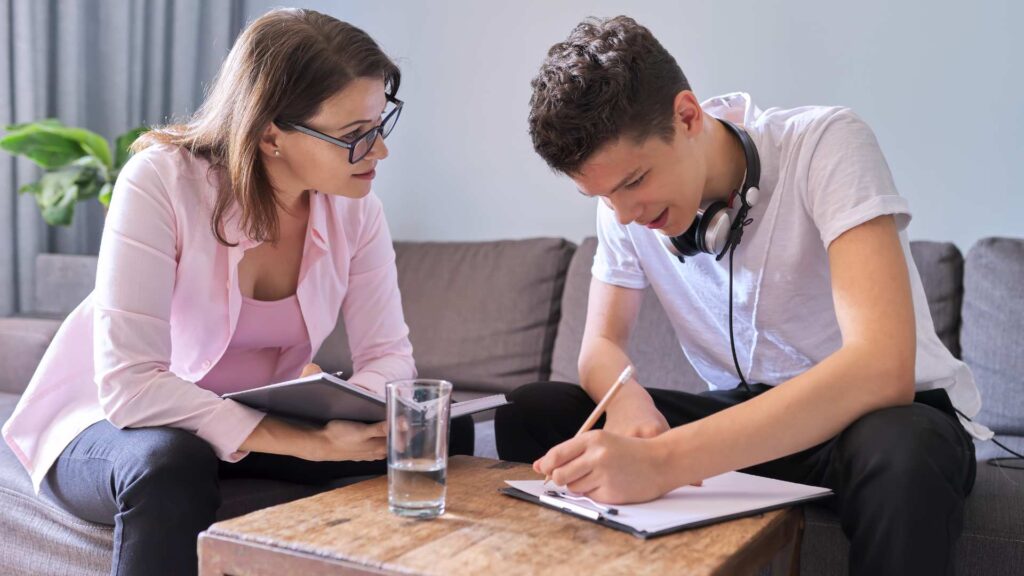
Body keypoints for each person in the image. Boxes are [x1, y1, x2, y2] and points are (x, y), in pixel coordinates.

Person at [495, 16, 984, 576]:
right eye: (603, 197)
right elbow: (600, 345)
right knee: (537, 411)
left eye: (633, 183)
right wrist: (631, 409)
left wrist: (662, 461)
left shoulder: (826, 142)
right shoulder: (622, 207)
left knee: (904, 450)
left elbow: (881, 367)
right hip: (753, 420)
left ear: (687, 116)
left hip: (877, 418)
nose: (625, 214)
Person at [2, 9, 471, 576]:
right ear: (270, 133)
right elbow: (132, 387)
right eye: (354, 136)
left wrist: (362, 421)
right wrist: (311, 443)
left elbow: (389, 357)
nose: (379, 152)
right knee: (172, 462)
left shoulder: (357, 209)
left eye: (380, 124)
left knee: (438, 429)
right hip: (109, 423)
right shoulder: (161, 182)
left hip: (245, 418)